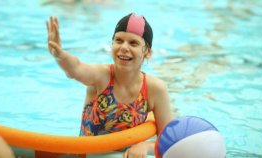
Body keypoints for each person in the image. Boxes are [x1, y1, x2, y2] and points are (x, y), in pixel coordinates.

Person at [46, 12, 173, 157]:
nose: (124, 47)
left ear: (147, 52)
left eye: (133, 43)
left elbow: (167, 141)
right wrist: (60, 56)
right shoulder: (101, 76)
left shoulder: (155, 89)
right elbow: (76, 69)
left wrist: (145, 146)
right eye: (119, 40)